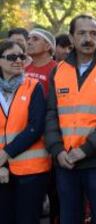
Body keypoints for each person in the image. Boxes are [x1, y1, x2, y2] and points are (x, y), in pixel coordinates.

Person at [45, 14, 96, 224]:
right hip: (65, 161)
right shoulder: (58, 70)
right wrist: (57, 150)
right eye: (81, 33)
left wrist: (86, 149)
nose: (88, 38)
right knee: (68, 218)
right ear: (71, 38)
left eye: (93, 33)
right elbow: (51, 114)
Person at [0, 40, 50, 224]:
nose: (18, 61)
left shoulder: (33, 86)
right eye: (11, 57)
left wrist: (6, 153)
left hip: (31, 171)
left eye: (21, 56)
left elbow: (36, 126)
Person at [26, 28, 58, 95]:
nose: (29, 42)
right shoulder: (24, 69)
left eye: (35, 39)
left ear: (47, 46)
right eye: (28, 39)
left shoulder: (57, 70)